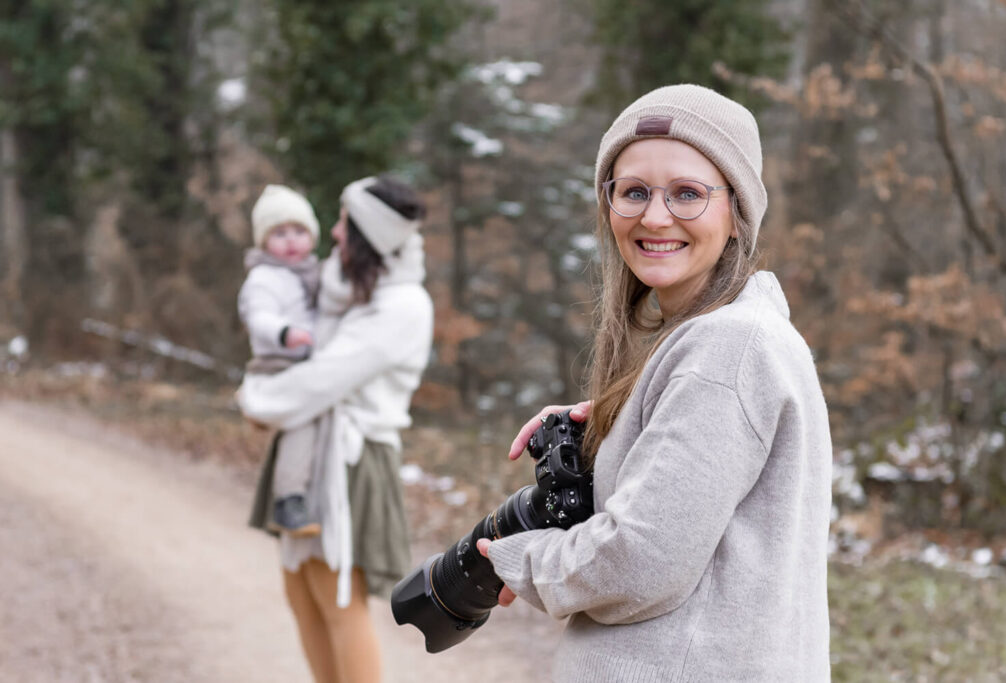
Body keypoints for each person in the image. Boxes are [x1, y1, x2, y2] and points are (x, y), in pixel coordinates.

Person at [478, 84, 833, 681]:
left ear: (736, 211)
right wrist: (631, 419)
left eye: (688, 194)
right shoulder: (733, 339)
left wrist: (516, 559)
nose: (655, 216)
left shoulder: (728, 349)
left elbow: (641, 563)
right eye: (633, 191)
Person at [237, 176, 433, 683]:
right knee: (301, 596)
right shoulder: (346, 289)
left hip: (352, 459)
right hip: (313, 447)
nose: (334, 233)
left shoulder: (402, 305)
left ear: (369, 235)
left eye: (345, 223)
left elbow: (321, 380)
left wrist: (254, 398)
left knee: (336, 601)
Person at [238, 184, 322, 536]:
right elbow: (257, 316)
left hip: (305, 362)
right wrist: (284, 331)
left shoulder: (312, 273)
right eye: (280, 233)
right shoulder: (263, 277)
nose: (291, 240)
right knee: (302, 422)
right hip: (276, 364)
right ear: (263, 241)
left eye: (299, 231)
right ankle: (288, 499)